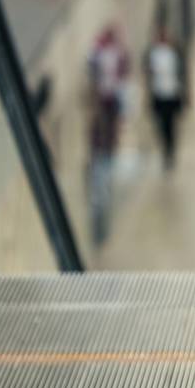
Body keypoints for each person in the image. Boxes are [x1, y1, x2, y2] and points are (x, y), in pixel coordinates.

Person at [87, 25, 129, 247]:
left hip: (103, 166)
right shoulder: (99, 53)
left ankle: (101, 231)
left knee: (101, 192)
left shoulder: (113, 53)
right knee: (100, 193)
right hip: (100, 168)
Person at [145, 26, 185, 170]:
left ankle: (170, 152)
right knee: (161, 126)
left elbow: (182, 73)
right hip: (159, 95)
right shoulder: (152, 54)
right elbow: (148, 73)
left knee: (171, 125)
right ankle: (165, 151)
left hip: (171, 94)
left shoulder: (174, 53)